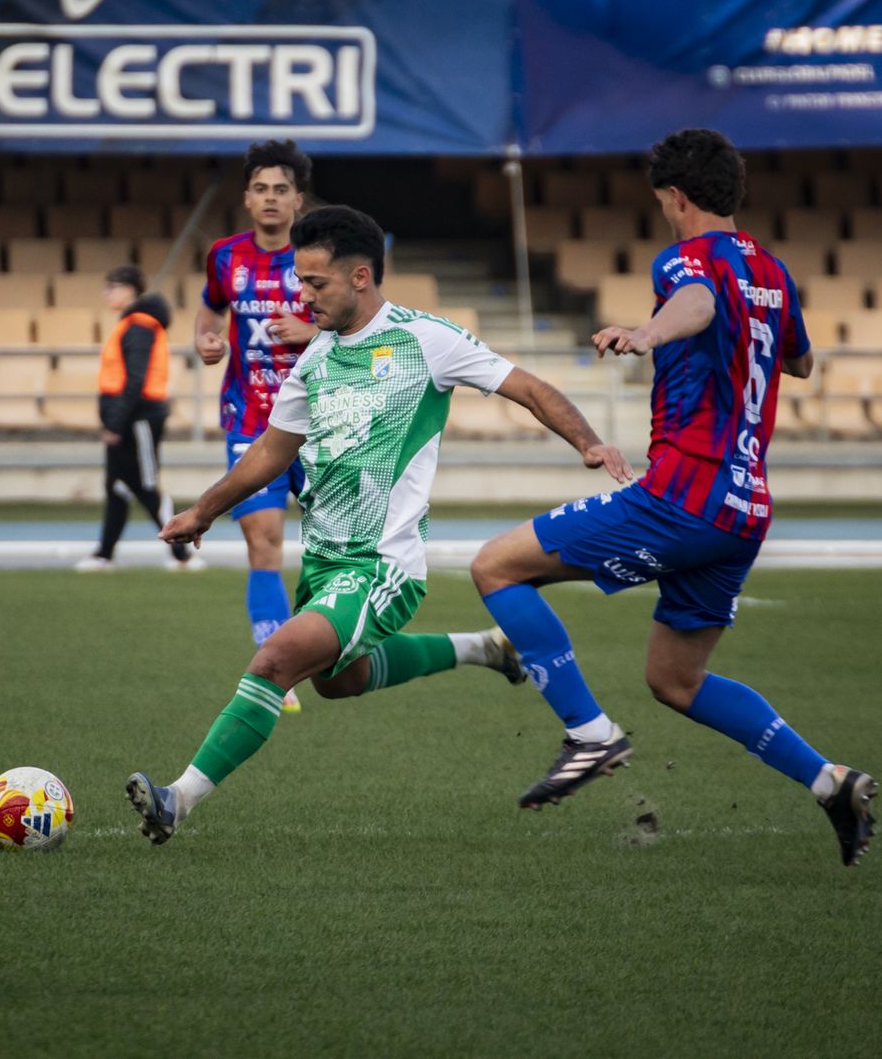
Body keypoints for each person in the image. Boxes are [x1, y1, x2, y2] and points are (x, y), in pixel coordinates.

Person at [125, 205, 632, 843]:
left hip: (381, 565)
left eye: (316, 284)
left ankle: (179, 799)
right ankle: (484, 647)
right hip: (325, 562)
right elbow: (268, 453)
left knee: (276, 659)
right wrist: (203, 511)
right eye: (299, 282)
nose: (301, 297)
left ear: (360, 277)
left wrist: (588, 443)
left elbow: (526, 387)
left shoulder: (427, 340)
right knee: (342, 682)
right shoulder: (314, 360)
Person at [468, 128, 878, 866]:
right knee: (675, 679)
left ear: (677, 197)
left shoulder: (687, 259)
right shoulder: (772, 272)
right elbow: (804, 362)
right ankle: (829, 782)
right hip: (745, 509)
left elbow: (695, 302)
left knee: (495, 566)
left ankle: (589, 735)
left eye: (663, 202)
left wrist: (646, 332)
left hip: (682, 495)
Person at [195, 139, 322, 712]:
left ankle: (326, 644)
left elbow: (363, 326)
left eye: (282, 190)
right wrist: (206, 336)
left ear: (299, 199)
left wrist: (311, 332)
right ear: (247, 199)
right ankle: (277, 671)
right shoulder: (225, 256)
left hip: (323, 423)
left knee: (333, 549)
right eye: (261, 189)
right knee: (263, 542)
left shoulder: (323, 254)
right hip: (251, 420)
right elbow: (210, 304)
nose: (271, 199)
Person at [76, 264, 203, 572]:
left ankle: (182, 553)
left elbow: (135, 380)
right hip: (128, 418)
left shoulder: (139, 326)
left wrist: (115, 423)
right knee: (117, 487)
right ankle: (104, 554)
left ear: (130, 290)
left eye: (112, 287)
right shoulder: (131, 324)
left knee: (146, 486)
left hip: (139, 418)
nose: (107, 294)